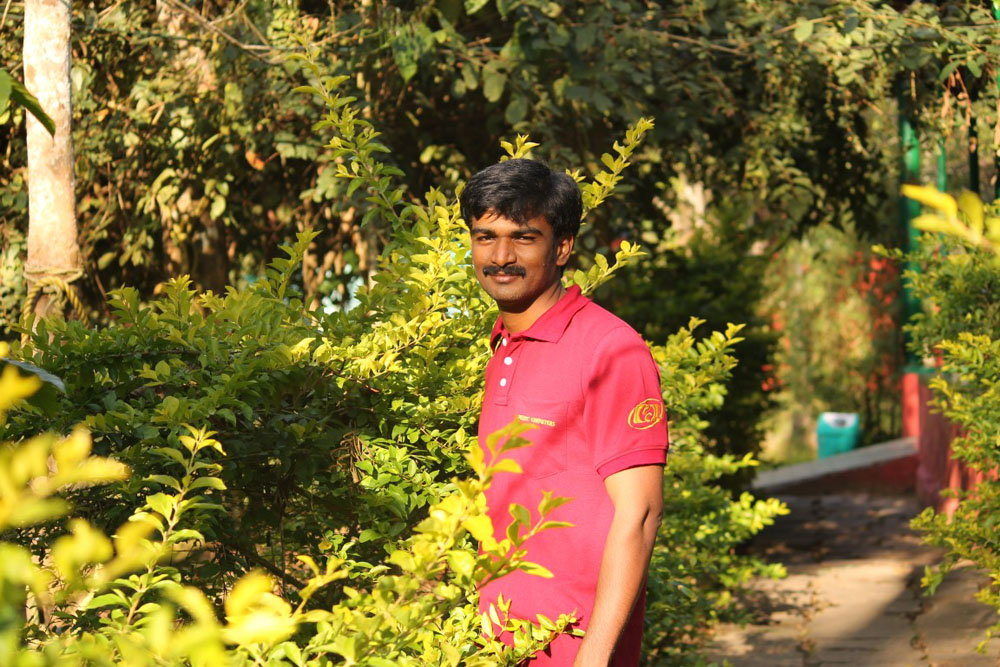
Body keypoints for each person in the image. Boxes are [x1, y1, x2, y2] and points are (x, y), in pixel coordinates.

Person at [460, 159, 669, 666]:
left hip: (571, 648)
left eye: (524, 238)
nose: (501, 257)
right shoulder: (504, 346)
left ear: (562, 247)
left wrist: (592, 659)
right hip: (496, 646)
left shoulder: (610, 349)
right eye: (486, 237)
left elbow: (640, 514)